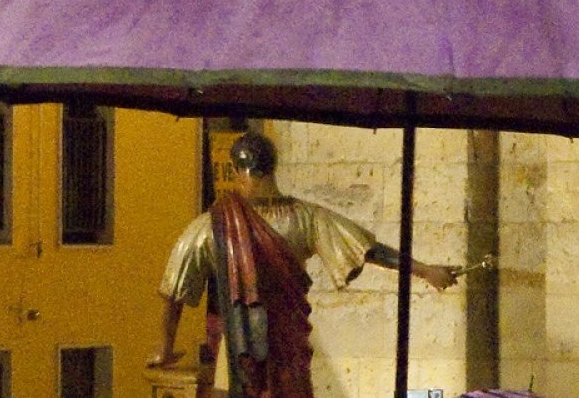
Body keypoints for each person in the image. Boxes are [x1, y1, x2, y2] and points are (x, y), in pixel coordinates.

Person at [148, 131, 459, 398]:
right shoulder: (305, 218)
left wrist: (165, 347)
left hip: (236, 356)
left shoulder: (209, 227)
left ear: (235, 168)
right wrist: (425, 270)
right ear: (273, 167)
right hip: (287, 351)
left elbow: (174, 291)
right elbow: (368, 249)